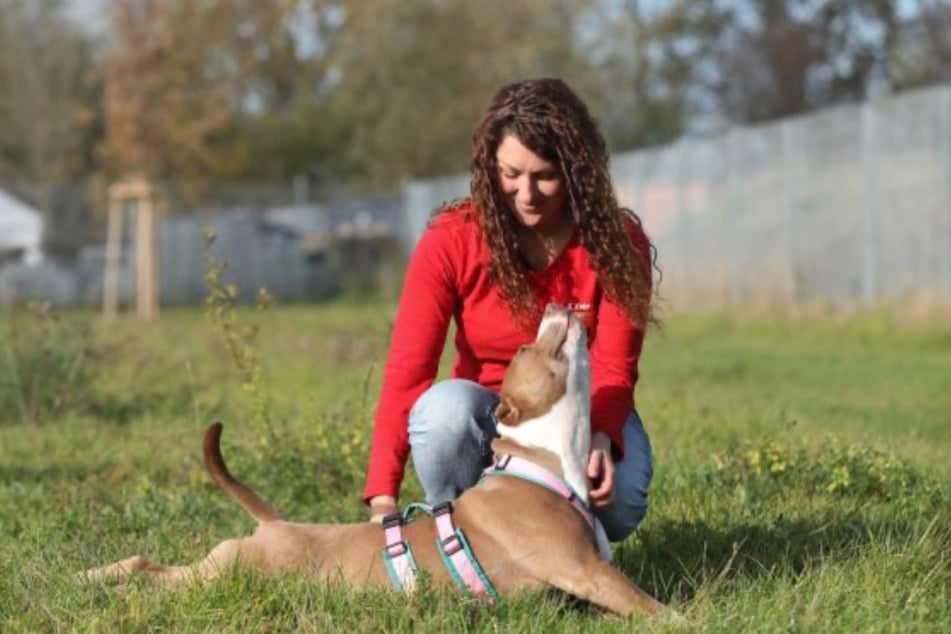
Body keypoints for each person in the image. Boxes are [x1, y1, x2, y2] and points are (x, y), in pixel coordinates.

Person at [363, 78, 658, 543]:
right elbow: (409, 369)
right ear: (488, 167)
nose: (527, 194)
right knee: (444, 414)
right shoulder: (452, 239)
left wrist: (600, 435)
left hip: (579, 407)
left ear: (577, 171)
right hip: (487, 413)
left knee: (620, 501)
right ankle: (474, 544)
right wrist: (383, 496)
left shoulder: (615, 243)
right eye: (510, 174)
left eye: (545, 175)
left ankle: (569, 550)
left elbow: (614, 366)